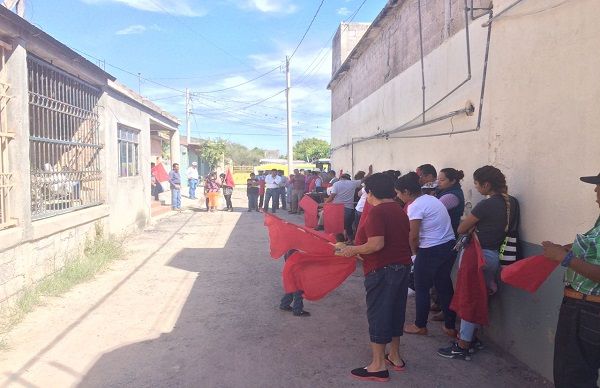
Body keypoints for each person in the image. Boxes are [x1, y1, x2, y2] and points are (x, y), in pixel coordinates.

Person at [438, 165, 519, 360]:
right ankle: (472, 338)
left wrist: (469, 223)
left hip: (478, 255)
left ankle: (463, 344)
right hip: (494, 255)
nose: (476, 188)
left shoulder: (487, 204)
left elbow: (462, 228)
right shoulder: (512, 202)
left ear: (487, 184)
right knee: (478, 297)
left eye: (477, 184)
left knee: (469, 299)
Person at [340, 173, 412, 382]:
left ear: (371, 192)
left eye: (365, 190)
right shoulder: (399, 210)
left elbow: (376, 244)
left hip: (383, 270)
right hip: (402, 267)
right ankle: (395, 356)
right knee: (396, 311)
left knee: (379, 314)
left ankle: (378, 365)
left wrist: (352, 249)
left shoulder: (378, 212)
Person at [542, 172, 600, 387]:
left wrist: (565, 258)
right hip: (583, 308)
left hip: (588, 311)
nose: (595, 190)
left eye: (598, 185)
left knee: (573, 378)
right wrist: (564, 248)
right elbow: (593, 249)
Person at [395, 172, 457, 337]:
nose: (398, 196)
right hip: (448, 245)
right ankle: (450, 325)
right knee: (444, 285)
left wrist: (415, 254)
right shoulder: (431, 199)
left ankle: (420, 325)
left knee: (421, 287)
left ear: (407, 192)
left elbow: (413, 236)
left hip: (431, 249)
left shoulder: (416, 206)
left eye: (399, 192)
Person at [324, 166, 372, 242]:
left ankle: (338, 240)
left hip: (337, 207)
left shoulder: (336, 184)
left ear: (341, 178)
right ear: (348, 178)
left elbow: (332, 197)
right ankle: (349, 240)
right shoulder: (352, 183)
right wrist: (369, 172)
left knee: (337, 225)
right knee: (347, 225)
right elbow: (364, 179)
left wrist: (325, 203)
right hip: (349, 207)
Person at [279, 249, 310, 317]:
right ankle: (298, 310)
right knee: (298, 293)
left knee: (290, 291)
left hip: (289, 275)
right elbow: (300, 264)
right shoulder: (295, 253)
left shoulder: (288, 250)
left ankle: (284, 305)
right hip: (295, 277)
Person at [436, 168, 466, 236]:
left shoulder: (451, 196)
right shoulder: (444, 190)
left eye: (442, 180)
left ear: (452, 181)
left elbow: (432, 211)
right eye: (438, 179)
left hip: (446, 234)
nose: (438, 182)